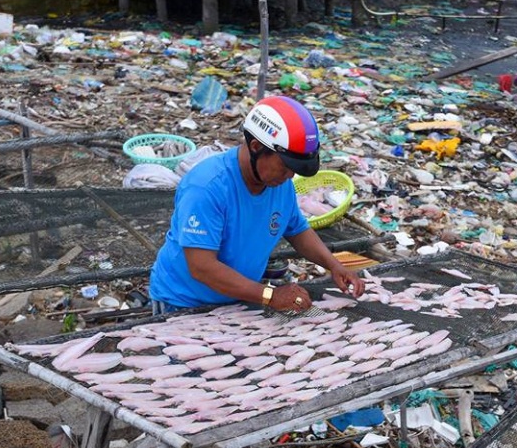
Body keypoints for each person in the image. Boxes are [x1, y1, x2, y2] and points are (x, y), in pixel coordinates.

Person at [149, 95, 364, 314]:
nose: (290, 176)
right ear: (255, 147)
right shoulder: (206, 188)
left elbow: (297, 230)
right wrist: (269, 295)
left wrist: (334, 265)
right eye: (285, 166)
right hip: (184, 303)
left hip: (239, 298)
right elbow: (201, 267)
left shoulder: (280, 184)